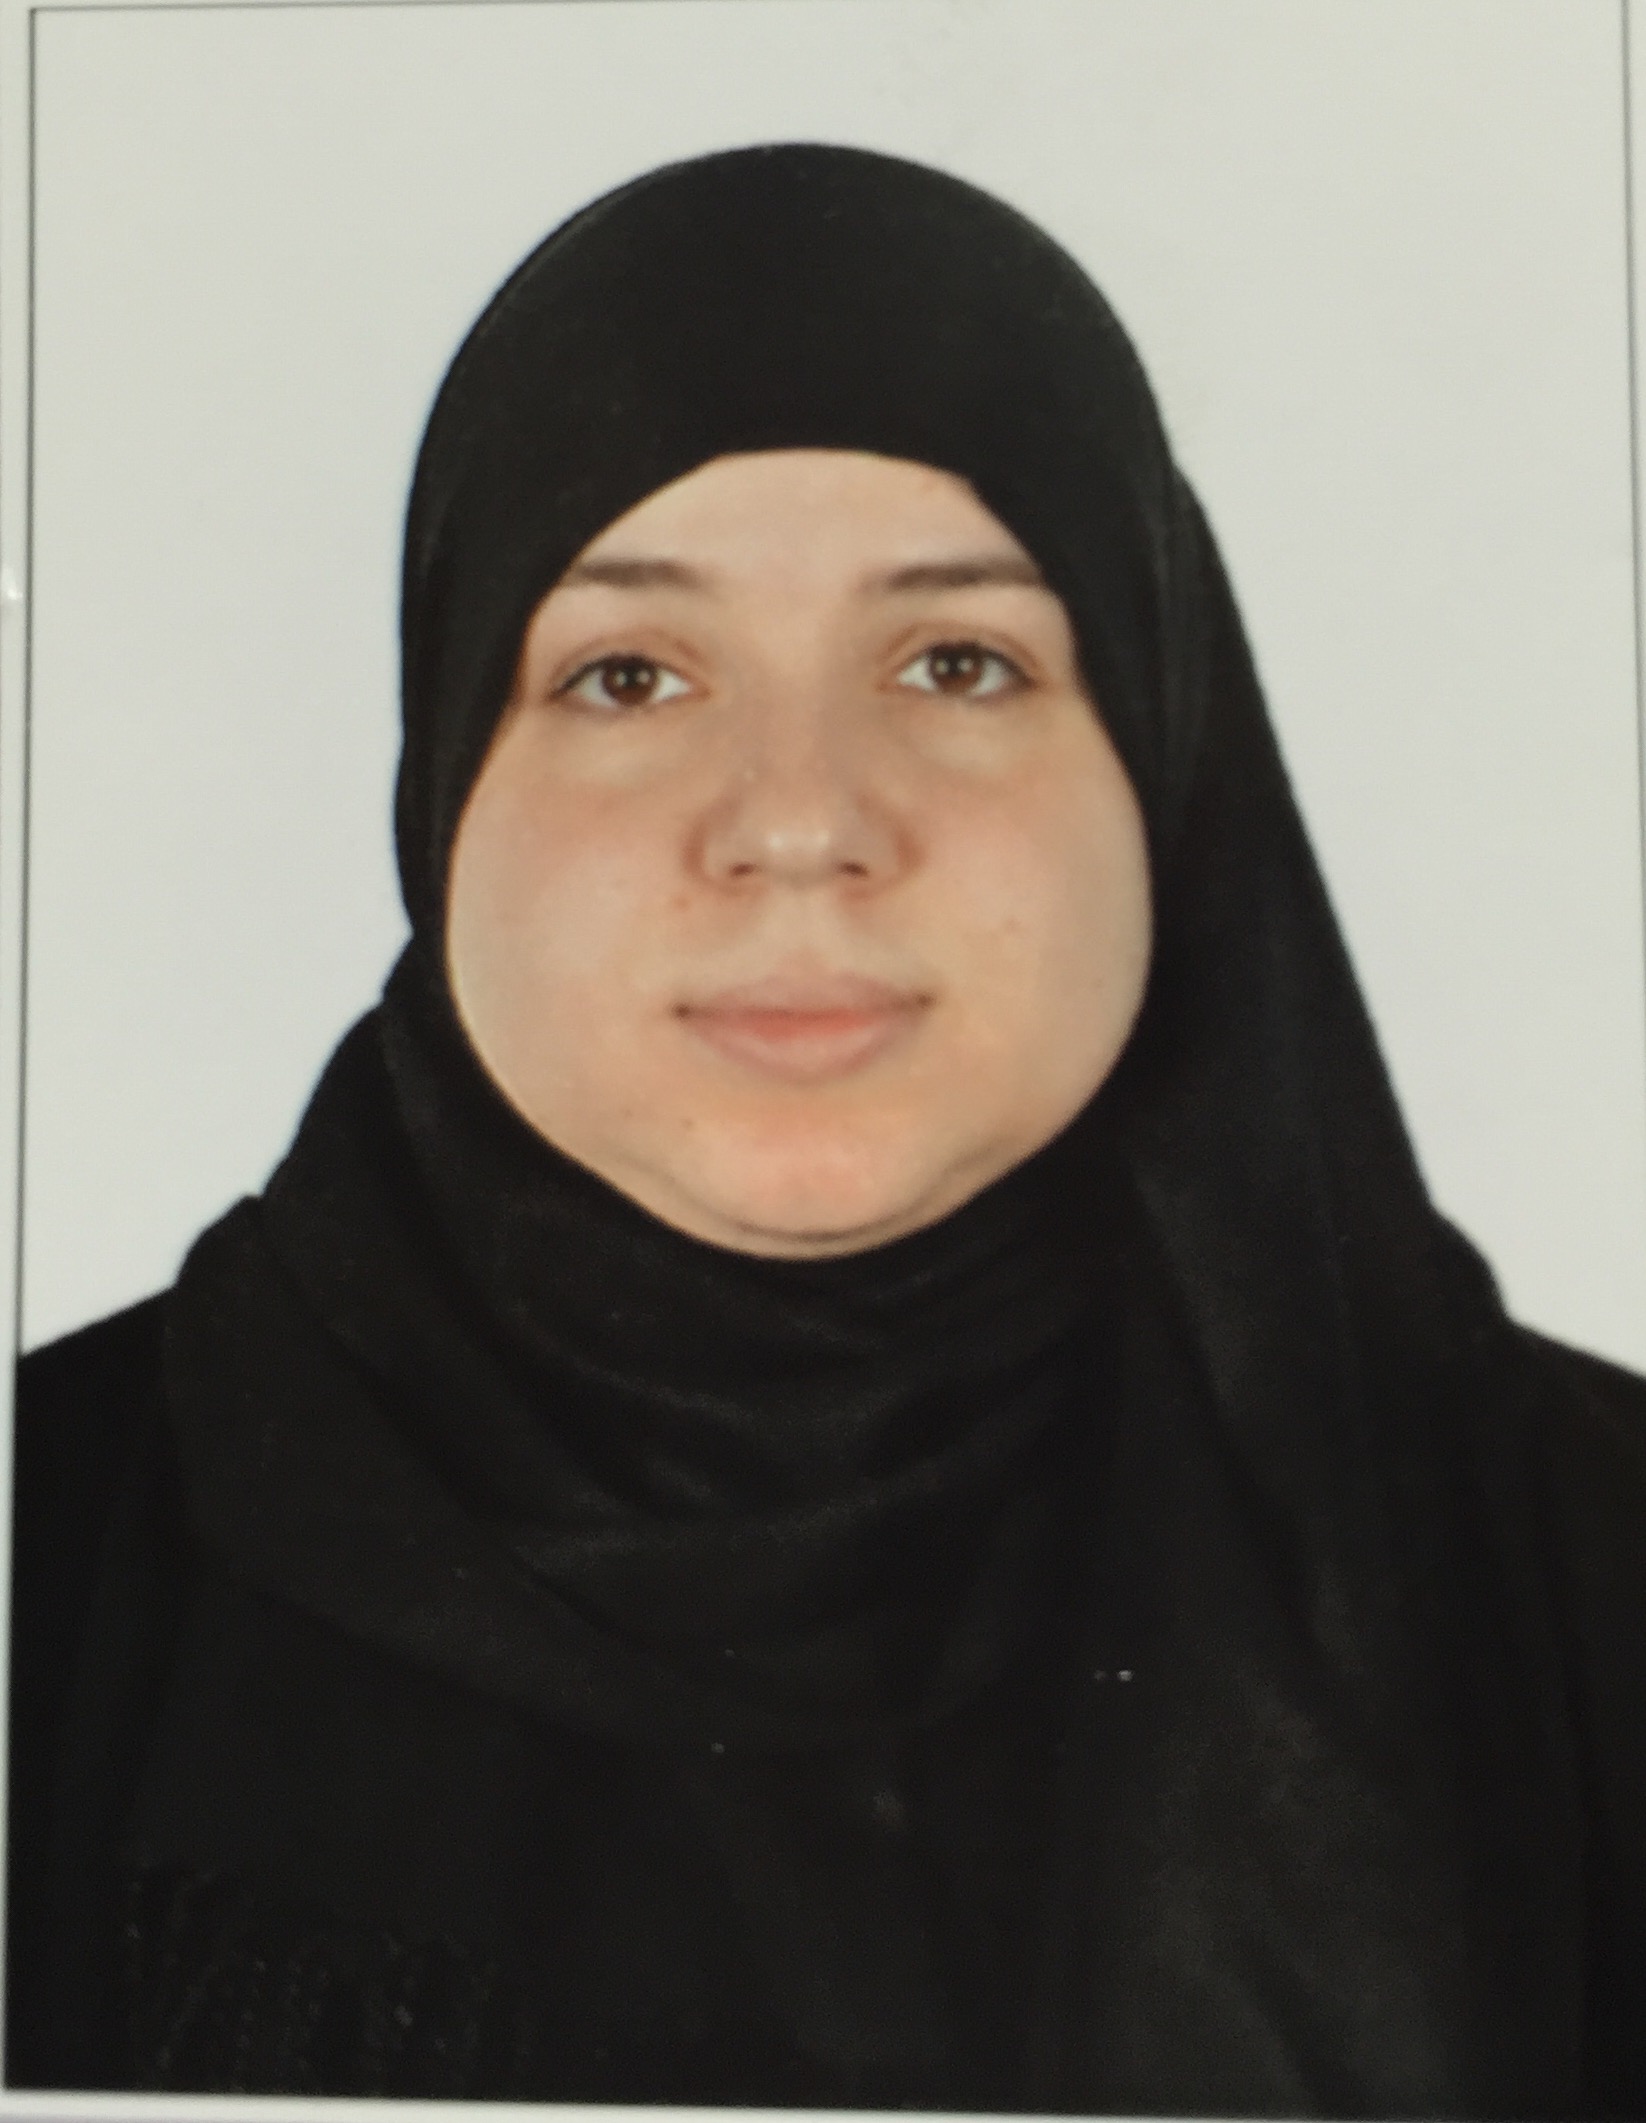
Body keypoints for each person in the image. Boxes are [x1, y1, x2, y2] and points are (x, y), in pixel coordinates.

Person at [7, 142, 1646, 2116]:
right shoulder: (48, 1550)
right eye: (628, 674)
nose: (797, 820)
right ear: (445, 784)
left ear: (1162, 759)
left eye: (957, 662)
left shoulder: (1587, 1575)